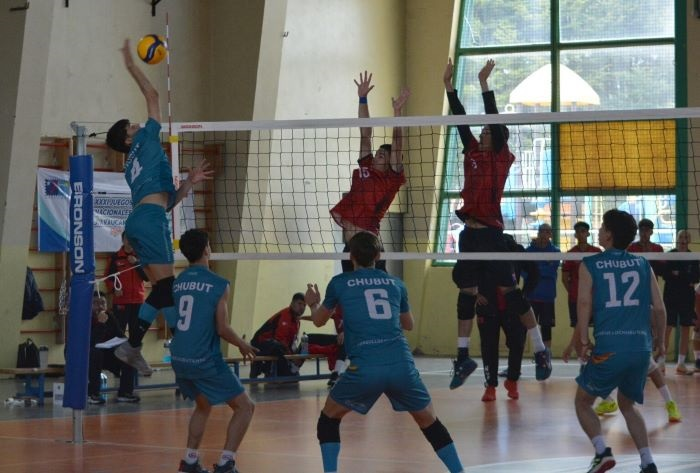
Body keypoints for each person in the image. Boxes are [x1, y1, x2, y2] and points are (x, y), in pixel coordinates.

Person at [304, 232, 465, 473]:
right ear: (378, 256)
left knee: (328, 419)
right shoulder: (396, 284)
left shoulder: (339, 283)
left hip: (365, 368)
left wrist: (313, 303)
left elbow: (318, 321)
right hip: (401, 365)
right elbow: (409, 324)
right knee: (429, 422)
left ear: (351, 256)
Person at [106, 39, 213, 376]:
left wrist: (188, 183)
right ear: (128, 139)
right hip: (149, 221)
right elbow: (152, 95)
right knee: (167, 288)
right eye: (131, 126)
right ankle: (154, 344)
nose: (137, 125)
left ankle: (148, 346)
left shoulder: (130, 166)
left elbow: (166, 202)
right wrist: (131, 66)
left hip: (142, 219)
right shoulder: (145, 138)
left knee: (163, 289)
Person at [443, 57, 551, 389]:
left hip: (491, 234)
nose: (483, 131)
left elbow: (492, 116)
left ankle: (540, 350)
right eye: (483, 130)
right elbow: (461, 122)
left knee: (510, 292)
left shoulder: (500, 158)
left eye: (489, 130)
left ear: (499, 137)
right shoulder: (473, 152)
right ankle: (463, 357)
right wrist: (449, 88)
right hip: (469, 234)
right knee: (466, 293)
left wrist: (484, 84)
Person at [574, 209, 665, 473]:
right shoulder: (643, 264)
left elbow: (584, 303)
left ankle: (602, 452)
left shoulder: (590, 263)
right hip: (640, 349)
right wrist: (660, 341)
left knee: (582, 402)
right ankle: (648, 462)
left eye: (602, 226)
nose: (599, 230)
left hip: (610, 348)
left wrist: (583, 339)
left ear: (610, 235)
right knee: (627, 404)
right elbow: (659, 309)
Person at [168, 229, 257, 473]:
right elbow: (222, 328)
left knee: (203, 404)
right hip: (203, 359)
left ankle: (190, 461)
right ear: (207, 249)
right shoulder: (219, 284)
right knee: (246, 407)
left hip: (178, 357)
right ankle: (227, 463)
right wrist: (242, 344)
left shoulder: (179, 282)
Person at [330, 71, 410, 273]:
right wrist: (362, 98)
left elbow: (397, 145)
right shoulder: (366, 166)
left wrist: (397, 112)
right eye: (378, 152)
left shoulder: (391, 179)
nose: (378, 154)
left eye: (384, 154)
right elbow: (365, 133)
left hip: (368, 247)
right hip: (350, 248)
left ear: (391, 162)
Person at [475, 234, 537, 401]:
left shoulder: (515, 249)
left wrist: (524, 294)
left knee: (517, 343)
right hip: (487, 307)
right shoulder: (481, 249)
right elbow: (465, 273)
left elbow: (534, 272)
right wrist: (475, 293)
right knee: (489, 347)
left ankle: (512, 381)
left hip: (512, 307)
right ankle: (490, 386)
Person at [561, 221, 601, 363]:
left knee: (599, 330)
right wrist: (574, 293)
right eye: (578, 231)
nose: (580, 234)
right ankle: (582, 361)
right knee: (578, 331)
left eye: (583, 231)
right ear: (575, 235)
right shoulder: (571, 254)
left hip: (595, 298)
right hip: (576, 299)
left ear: (588, 233)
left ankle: (598, 357)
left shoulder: (596, 252)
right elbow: (564, 278)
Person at [87, 293, 138, 405]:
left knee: (129, 353)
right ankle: (92, 394)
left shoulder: (110, 317)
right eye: (96, 303)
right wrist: (100, 324)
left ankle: (125, 393)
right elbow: (91, 342)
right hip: (87, 355)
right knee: (95, 354)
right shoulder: (85, 319)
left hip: (105, 354)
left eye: (103, 303)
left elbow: (120, 335)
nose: (100, 306)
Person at [662, 229, 699, 375]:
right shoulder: (670, 255)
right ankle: (661, 363)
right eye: (681, 237)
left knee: (685, 328)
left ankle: (681, 364)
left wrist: (679, 274)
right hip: (671, 296)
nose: (683, 239)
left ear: (689, 240)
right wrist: (685, 276)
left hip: (687, 298)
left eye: (686, 237)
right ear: (677, 239)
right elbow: (665, 274)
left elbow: (695, 277)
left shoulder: (693, 257)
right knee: (667, 328)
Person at [249, 293, 306, 378]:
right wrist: (292, 358)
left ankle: (286, 370)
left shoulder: (297, 321)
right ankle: (268, 369)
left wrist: (295, 356)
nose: (302, 307)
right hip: (260, 344)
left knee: (305, 344)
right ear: (292, 303)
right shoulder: (285, 316)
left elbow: (291, 342)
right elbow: (280, 340)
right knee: (278, 346)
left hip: (276, 345)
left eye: (304, 305)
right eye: (299, 303)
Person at [104, 232, 148, 336]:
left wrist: (136, 263)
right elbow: (108, 278)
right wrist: (114, 289)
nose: (130, 241)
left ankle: (134, 347)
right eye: (127, 239)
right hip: (121, 301)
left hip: (138, 301)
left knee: (136, 334)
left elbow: (147, 277)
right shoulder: (115, 257)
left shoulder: (141, 257)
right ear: (123, 240)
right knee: (118, 333)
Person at [524, 223, 560, 349]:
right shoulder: (529, 251)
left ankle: (547, 354)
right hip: (531, 295)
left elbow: (551, 271)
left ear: (551, 234)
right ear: (538, 233)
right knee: (527, 327)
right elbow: (524, 272)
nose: (544, 234)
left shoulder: (556, 251)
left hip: (547, 296)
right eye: (542, 231)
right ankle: (537, 352)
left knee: (546, 328)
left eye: (547, 232)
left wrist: (534, 270)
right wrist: (545, 265)